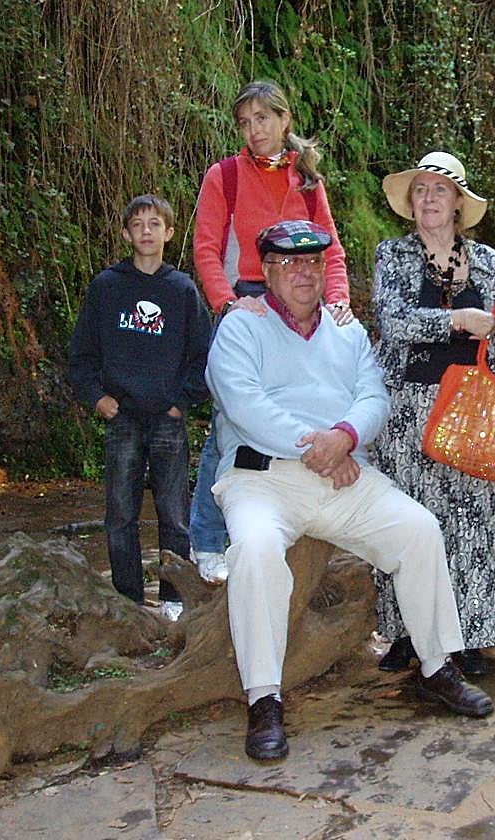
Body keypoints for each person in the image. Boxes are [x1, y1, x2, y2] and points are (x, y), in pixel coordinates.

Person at [206, 220, 494, 762]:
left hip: (343, 472)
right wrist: (313, 445)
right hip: (264, 478)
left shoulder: (347, 330)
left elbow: (373, 396)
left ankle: (436, 665)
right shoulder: (242, 327)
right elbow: (243, 401)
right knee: (256, 550)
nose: (303, 273)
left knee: (417, 529)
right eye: (289, 263)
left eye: (313, 262)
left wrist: (344, 438)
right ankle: (264, 698)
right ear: (266, 270)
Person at [371, 151, 495, 677]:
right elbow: (394, 323)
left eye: (439, 190)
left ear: (459, 202)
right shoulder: (391, 256)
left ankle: (470, 637)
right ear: (410, 204)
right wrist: (456, 320)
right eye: (420, 191)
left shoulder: (493, 264)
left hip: (473, 405)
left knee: (473, 523)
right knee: (409, 522)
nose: (429, 199)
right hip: (409, 409)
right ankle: (406, 634)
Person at [189, 79, 355, 585]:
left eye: (263, 118)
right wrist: (228, 302)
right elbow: (205, 249)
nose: (254, 130)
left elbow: (330, 251)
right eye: (245, 122)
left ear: (285, 120)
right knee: (230, 423)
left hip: (303, 300)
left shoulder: (307, 181)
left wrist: (339, 302)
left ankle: (294, 529)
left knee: (305, 407)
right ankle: (207, 540)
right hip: (252, 301)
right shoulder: (226, 176)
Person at [68, 194, 212, 621]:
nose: (146, 232)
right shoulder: (107, 287)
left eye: (154, 224)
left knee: (173, 515)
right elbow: (82, 355)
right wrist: (97, 398)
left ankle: (173, 600)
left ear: (169, 232)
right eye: (137, 224)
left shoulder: (182, 291)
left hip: (167, 418)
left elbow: (204, 356)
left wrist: (181, 401)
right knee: (120, 514)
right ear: (126, 232)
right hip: (123, 419)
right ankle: (127, 600)